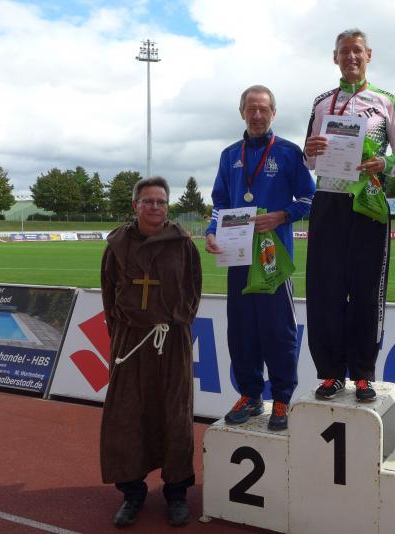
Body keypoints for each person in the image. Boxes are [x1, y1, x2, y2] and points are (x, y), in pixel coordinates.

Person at [303, 28, 395, 402]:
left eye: (357, 51)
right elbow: (308, 158)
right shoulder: (321, 103)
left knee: (366, 291)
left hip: (369, 202)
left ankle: (363, 373)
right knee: (325, 290)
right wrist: (311, 149)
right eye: (344, 51)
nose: (351, 56)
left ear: (369, 56)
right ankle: (331, 373)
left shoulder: (387, 101)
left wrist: (385, 163)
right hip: (328, 201)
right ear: (335, 57)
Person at [205, 85, 315, 431]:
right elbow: (220, 203)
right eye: (251, 108)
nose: (256, 115)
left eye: (263, 109)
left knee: (278, 332)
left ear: (273, 113)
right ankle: (250, 395)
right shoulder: (229, 155)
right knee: (241, 332)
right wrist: (212, 231)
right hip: (237, 255)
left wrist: (282, 216)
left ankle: (281, 399)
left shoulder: (289, 152)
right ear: (242, 112)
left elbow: (310, 200)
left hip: (273, 260)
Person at [100, 176, 202, 527]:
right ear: (136, 205)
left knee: (175, 415)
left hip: (171, 339)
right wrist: (122, 334)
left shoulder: (182, 244)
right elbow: (109, 292)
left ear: (167, 206)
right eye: (148, 201)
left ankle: (177, 492)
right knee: (126, 415)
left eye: (161, 201)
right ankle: (132, 491)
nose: (155, 207)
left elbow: (193, 288)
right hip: (131, 341)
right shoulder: (117, 245)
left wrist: (178, 322)